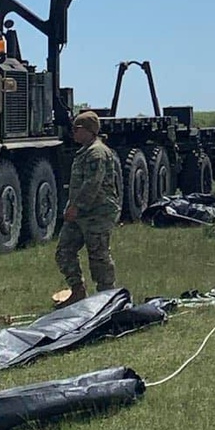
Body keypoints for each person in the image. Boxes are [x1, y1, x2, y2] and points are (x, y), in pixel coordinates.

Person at [55, 110, 122, 305]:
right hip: (80, 213)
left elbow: (92, 184)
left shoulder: (97, 153)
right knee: (64, 250)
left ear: (89, 131)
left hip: (98, 213)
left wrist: (76, 207)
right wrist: (72, 208)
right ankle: (77, 291)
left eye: (77, 129)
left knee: (98, 255)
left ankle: (107, 297)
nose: (73, 133)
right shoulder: (85, 151)